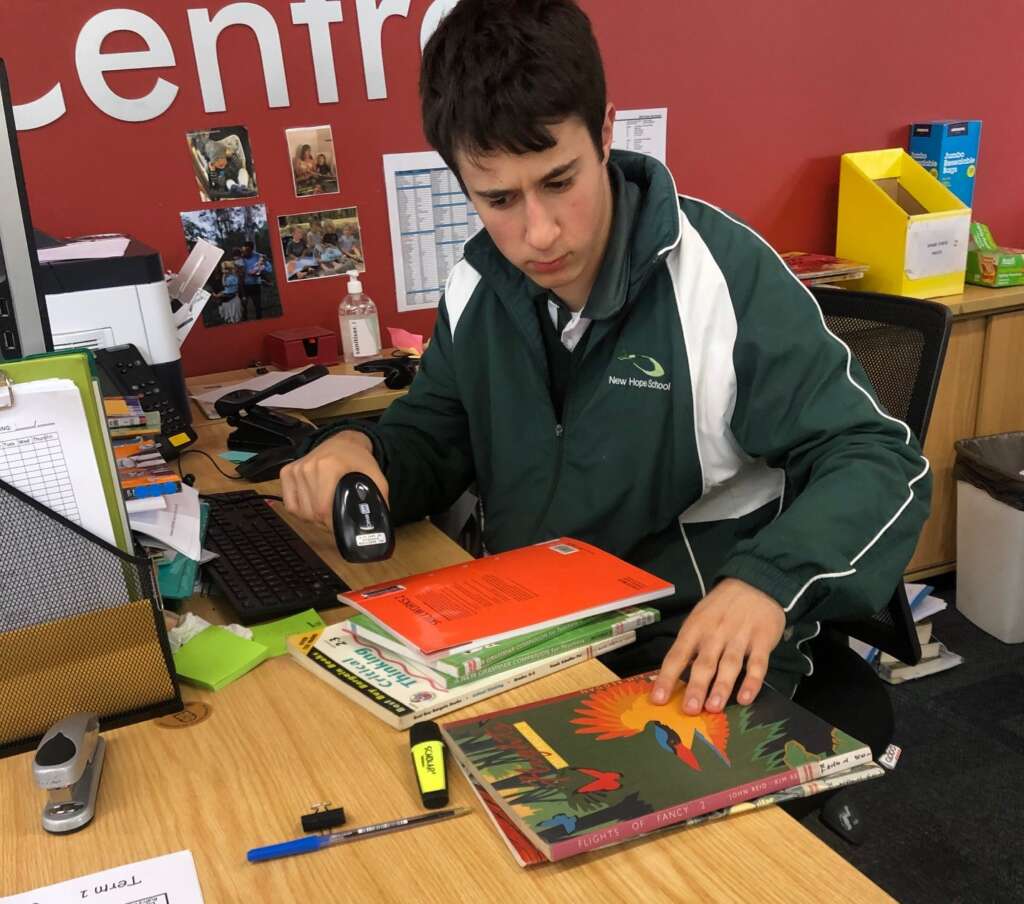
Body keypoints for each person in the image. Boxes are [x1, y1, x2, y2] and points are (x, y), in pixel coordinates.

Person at [281, 0, 929, 739]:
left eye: (560, 181)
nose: (539, 233)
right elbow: (436, 436)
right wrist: (363, 453)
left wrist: (767, 584)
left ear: (607, 133)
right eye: (498, 199)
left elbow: (877, 459)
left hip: (686, 649)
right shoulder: (475, 289)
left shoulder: (718, 277)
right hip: (526, 636)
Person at [238, 241, 271, 319]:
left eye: (248, 250)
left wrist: (259, 274)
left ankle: (260, 321)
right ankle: (245, 320)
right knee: (244, 307)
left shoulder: (259, 256)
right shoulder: (240, 258)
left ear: (251, 249)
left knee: (257, 306)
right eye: (244, 250)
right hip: (243, 286)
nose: (246, 252)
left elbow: (267, 269)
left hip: (255, 284)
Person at [214, 260, 242, 324]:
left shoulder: (231, 277)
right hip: (228, 295)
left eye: (223, 269)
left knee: (233, 317)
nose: (222, 271)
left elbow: (224, 284)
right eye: (222, 269)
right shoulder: (230, 277)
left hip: (231, 296)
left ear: (228, 269)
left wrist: (224, 275)